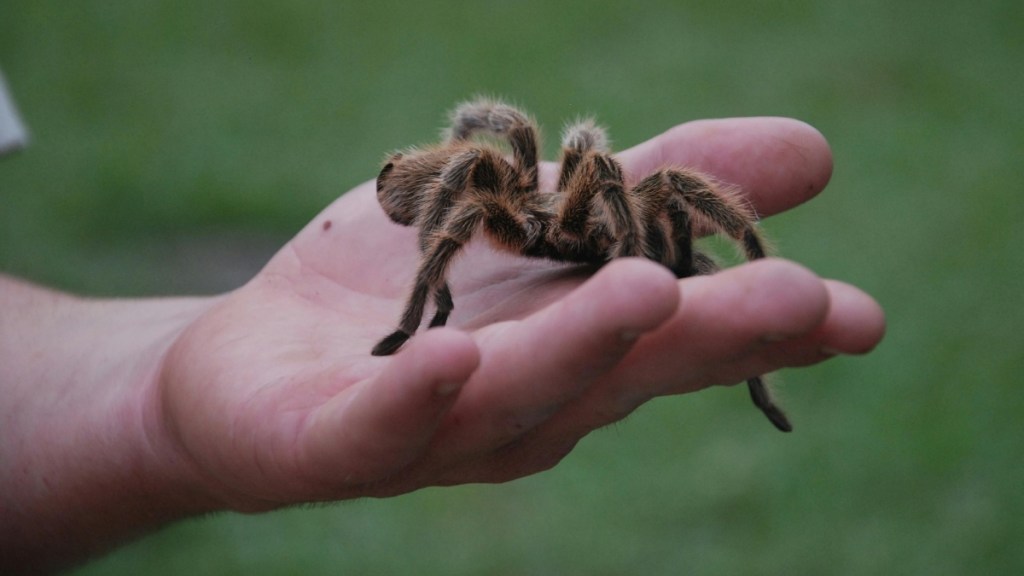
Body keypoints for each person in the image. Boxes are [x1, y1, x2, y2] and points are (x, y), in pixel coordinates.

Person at [0, 74, 885, 573]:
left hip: (542, 202)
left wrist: (151, 405)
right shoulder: (525, 204)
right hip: (459, 199)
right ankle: (434, 294)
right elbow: (539, 164)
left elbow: (595, 169)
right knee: (544, 162)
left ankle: (764, 292)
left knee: (640, 187)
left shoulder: (605, 204)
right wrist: (433, 300)